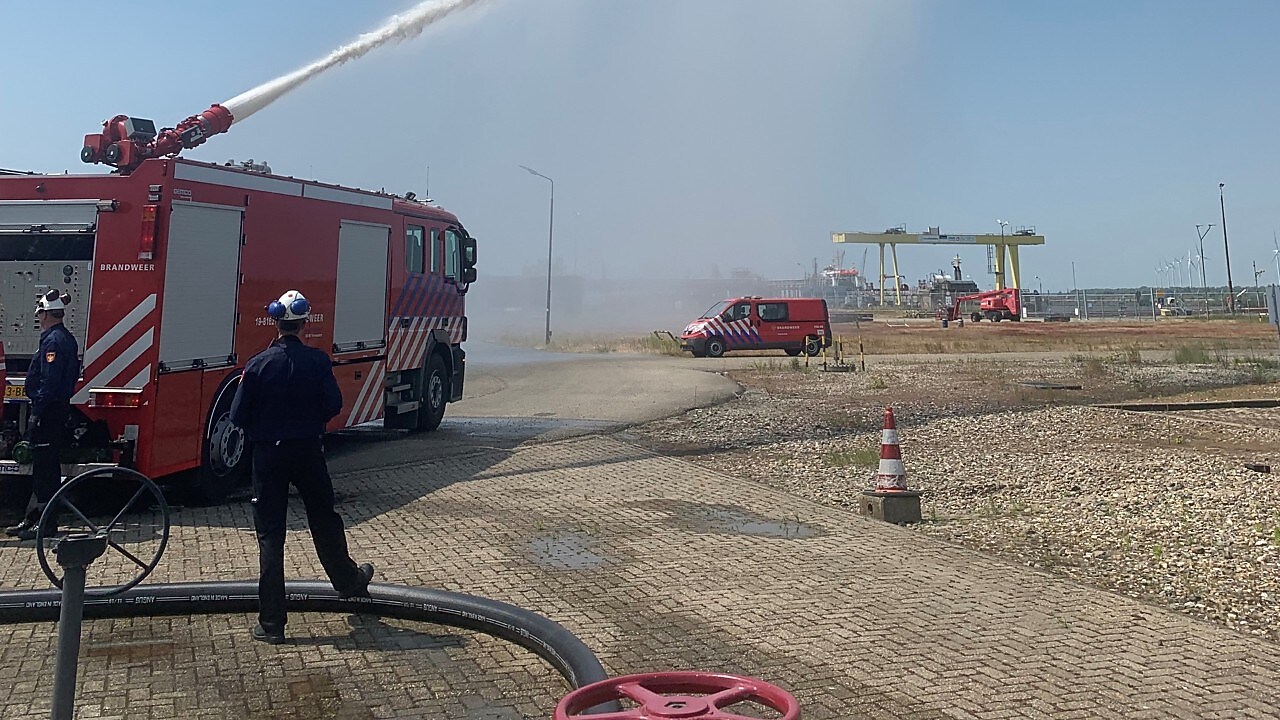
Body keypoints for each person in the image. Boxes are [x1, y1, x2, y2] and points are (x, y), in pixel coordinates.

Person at [230, 289, 373, 644]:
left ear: (276, 323)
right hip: (308, 451)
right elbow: (333, 404)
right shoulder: (318, 362)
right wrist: (309, 421)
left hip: (268, 456)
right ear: (304, 323)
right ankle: (347, 582)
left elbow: (237, 414)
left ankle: (272, 624)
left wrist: (266, 427)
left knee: (271, 536)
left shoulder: (257, 365)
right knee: (324, 519)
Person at [5, 289, 79, 541]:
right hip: (53, 408)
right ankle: (34, 517)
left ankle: (46, 522)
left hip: (49, 410)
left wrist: (37, 412)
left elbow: (50, 381)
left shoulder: (54, 341)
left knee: (46, 468)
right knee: (41, 466)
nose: (39, 318)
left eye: (40, 314)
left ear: (46, 314)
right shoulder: (60, 338)